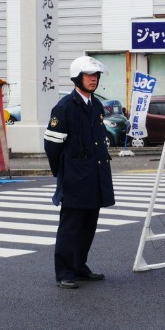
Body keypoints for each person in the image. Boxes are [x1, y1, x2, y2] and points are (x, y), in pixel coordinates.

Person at [44, 56, 115, 289]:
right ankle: (64, 271)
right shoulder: (64, 107)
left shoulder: (95, 105)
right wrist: (62, 172)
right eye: (88, 75)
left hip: (94, 175)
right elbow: (52, 145)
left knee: (88, 224)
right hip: (75, 177)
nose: (93, 79)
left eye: (95, 76)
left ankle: (79, 266)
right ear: (77, 78)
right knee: (71, 225)